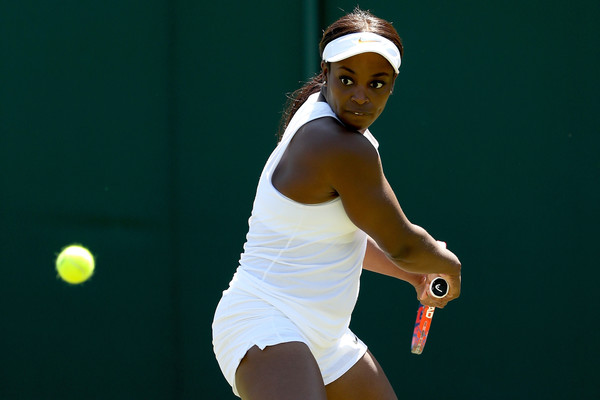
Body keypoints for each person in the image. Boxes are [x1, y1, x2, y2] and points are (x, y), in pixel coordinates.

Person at [212, 8, 461, 400]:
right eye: (347, 80)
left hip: (326, 339)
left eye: (376, 84)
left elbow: (346, 240)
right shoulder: (337, 145)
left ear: (393, 85)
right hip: (265, 323)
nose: (360, 96)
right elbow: (404, 244)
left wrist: (413, 274)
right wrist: (446, 265)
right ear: (325, 72)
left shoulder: (331, 121)